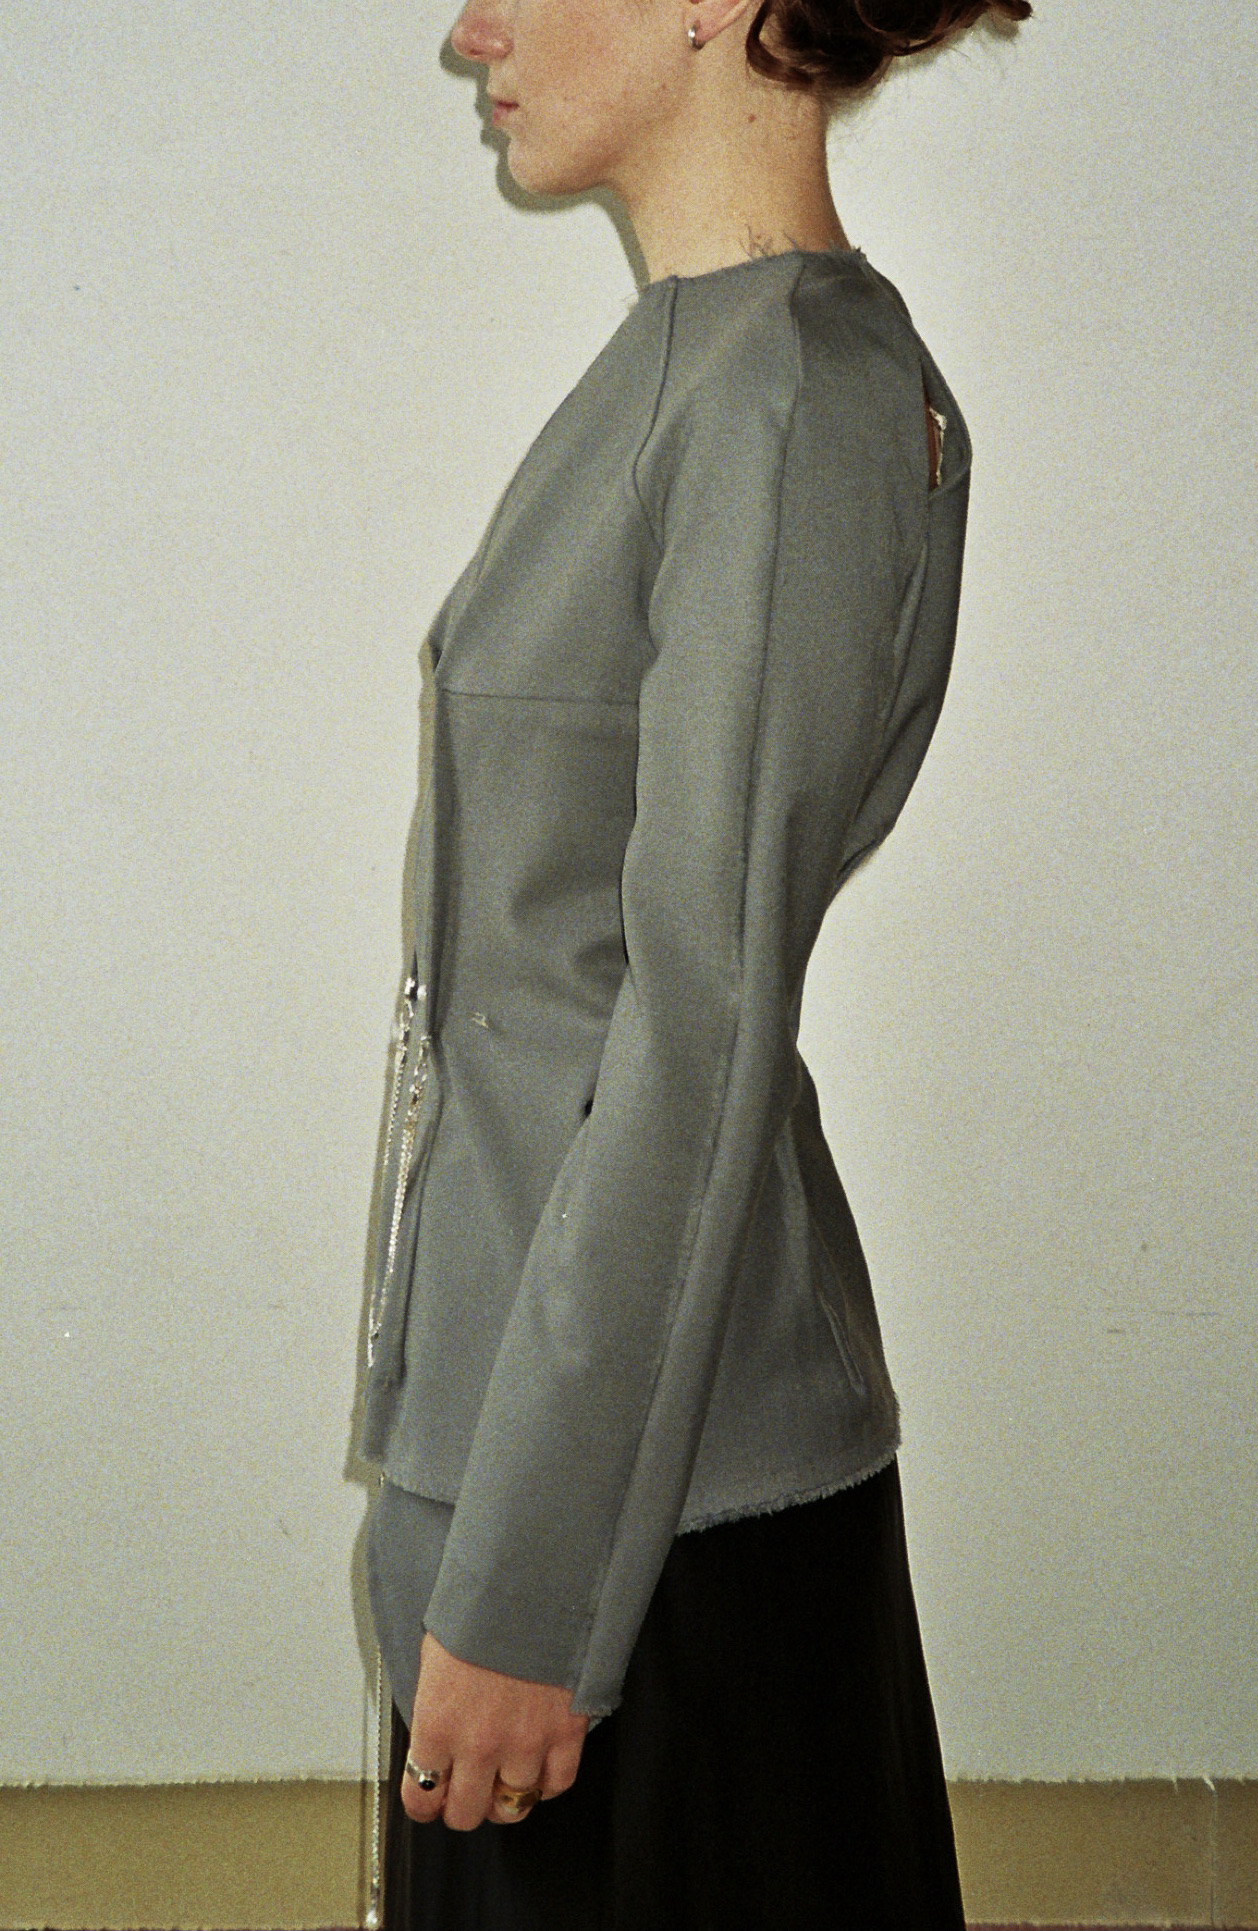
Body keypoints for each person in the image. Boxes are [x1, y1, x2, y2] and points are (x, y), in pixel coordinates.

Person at [358, 0, 1030, 1922]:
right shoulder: (696, 366)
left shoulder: (789, 397)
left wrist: (532, 1595)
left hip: (648, 1528)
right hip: (551, 1445)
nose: (470, 27)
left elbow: (693, 1021)